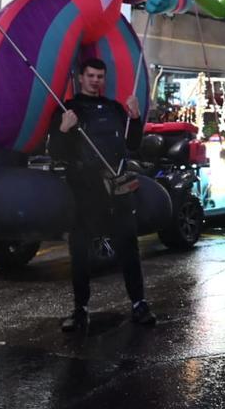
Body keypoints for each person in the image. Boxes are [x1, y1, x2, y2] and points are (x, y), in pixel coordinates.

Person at [51, 58, 155, 332]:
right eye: (91, 75)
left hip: (118, 190)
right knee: (81, 253)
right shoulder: (67, 109)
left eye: (100, 76)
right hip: (84, 193)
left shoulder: (114, 109)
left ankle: (139, 303)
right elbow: (56, 153)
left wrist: (134, 118)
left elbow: (132, 145)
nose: (96, 80)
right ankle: (80, 309)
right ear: (80, 78)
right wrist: (63, 128)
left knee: (129, 248)